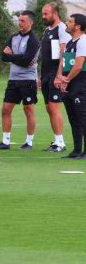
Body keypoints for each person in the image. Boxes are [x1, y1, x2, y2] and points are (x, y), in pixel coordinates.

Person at [0, 10, 40, 150]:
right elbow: (4, 56)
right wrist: (19, 57)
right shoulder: (13, 37)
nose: (20, 23)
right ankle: (5, 141)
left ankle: (29, 142)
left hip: (28, 79)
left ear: (30, 22)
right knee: (5, 109)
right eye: (19, 20)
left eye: (23, 21)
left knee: (28, 109)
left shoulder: (34, 40)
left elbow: (27, 60)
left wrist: (13, 57)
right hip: (13, 79)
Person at [39, 1, 71, 152]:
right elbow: (45, 56)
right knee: (49, 108)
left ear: (55, 13)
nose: (43, 16)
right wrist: (40, 76)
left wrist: (59, 75)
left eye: (46, 14)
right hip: (46, 74)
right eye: (43, 14)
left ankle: (60, 143)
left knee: (54, 106)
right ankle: (57, 140)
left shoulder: (62, 29)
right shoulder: (47, 30)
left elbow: (63, 53)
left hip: (55, 74)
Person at [58, 13, 86, 158]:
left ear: (78, 26)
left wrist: (66, 80)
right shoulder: (70, 42)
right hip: (70, 83)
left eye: (70, 21)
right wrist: (62, 79)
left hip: (80, 84)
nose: (66, 23)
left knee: (83, 117)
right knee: (73, 119)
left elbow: (79, 66)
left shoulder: (83, 41)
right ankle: (76, 150)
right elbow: (66, 64)